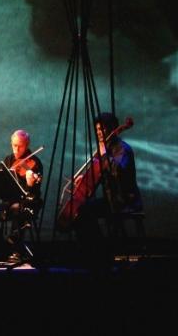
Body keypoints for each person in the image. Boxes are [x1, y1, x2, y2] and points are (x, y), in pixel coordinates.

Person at [72, 112, 143, 271]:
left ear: (112, 129)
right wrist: (85, 178)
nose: (99, 133)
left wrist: (104, 155)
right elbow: (100, 174)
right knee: (80, 210)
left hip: (124, 200)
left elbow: (117, 172)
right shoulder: (106, 149)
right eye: (97, 129)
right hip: (112, 199)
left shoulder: (122, 149)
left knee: (85, 211)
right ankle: (94, 254)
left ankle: (100, 254)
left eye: (102, 129)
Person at [0, 129, 43, 262]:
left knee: (17, 208)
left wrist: (30, 183)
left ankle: (16, 249)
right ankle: (0, 246)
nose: (17, 149)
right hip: (8, 202)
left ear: (27, 145)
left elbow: (34, 192)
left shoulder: (34, 163)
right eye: (14, 145)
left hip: (28, 204)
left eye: (20, 146)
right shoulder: (8, 160)